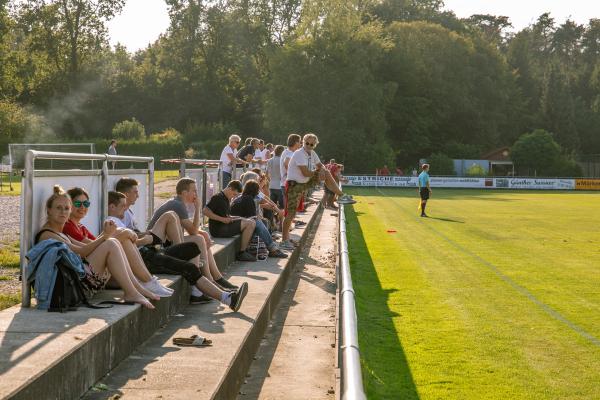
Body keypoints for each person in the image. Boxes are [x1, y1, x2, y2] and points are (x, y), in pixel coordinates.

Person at [38, 185, 156, 309]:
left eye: (66, 208)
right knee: (111, 243)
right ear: (49, 210)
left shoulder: (59, 232)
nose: (63, 212)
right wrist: (106, 235)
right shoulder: (47, 234)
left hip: (76, 282)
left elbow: (88, 246)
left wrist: (108, 236)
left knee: (113, 242)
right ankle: (134, 290)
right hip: (71, 288)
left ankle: (135, 288)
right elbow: (82, 252)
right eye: (58, 208)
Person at [64, 187, 173, 298]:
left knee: (123, 237)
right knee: (121, 238)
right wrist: (122, 234)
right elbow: (93, 247)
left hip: (99, 272)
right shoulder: (68, 226)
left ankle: (147, 281)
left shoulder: (80, 227)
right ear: (69, 205)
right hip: (88, 276)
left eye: (86, 203)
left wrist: (120, 233)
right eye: (78, 203)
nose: (82, 207)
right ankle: (146, 281)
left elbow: (97, 243)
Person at [147, 178, 239, 294]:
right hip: (159, 249)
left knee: (201, 237)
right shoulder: (177, 205)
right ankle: (211, 280)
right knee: (198, 239)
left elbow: (191, 230)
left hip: (165, 245)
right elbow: (193, 232)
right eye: (194, 191)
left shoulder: (177, 203)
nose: (196, 194)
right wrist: (197, 209)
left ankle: (216, 278)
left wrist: (202, 232)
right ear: (185, 193)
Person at [281, 133, 356, 249]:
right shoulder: (299, 153)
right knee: (290, 213)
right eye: (307, 143)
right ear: (303, 142)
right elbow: (305, 172)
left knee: (325, 172)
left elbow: (321, 166)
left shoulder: (312, 153)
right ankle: (284, 240)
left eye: (312, 144)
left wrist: (322, 172)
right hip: (294, 186)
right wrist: (319, 173)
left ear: (315, 145)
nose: (309, 146)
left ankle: (340, 195)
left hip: (303, 183)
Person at [231, 180, 288, 258]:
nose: (259, 192)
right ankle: (272, 249)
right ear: (255, 191)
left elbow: (249, 216)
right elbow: (252, 218)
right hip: (236, 224)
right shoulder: (248, 199)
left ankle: (268, 248)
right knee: (258, 222)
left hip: (237, 223)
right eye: (258, 190)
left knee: (261, 221)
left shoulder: (243, 197)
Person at [203, 180, 257, 262]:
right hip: (218, 230)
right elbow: (205, 211)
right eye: (234, 194)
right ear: (230, 188)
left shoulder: (226, 198)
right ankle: (242, 253)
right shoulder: (217, 197)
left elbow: (227, 216)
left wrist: (239, 218)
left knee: (250, 221)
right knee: (250, 223)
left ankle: (246, 249)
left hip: (224, 226)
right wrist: (222, 219)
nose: (233, 197)